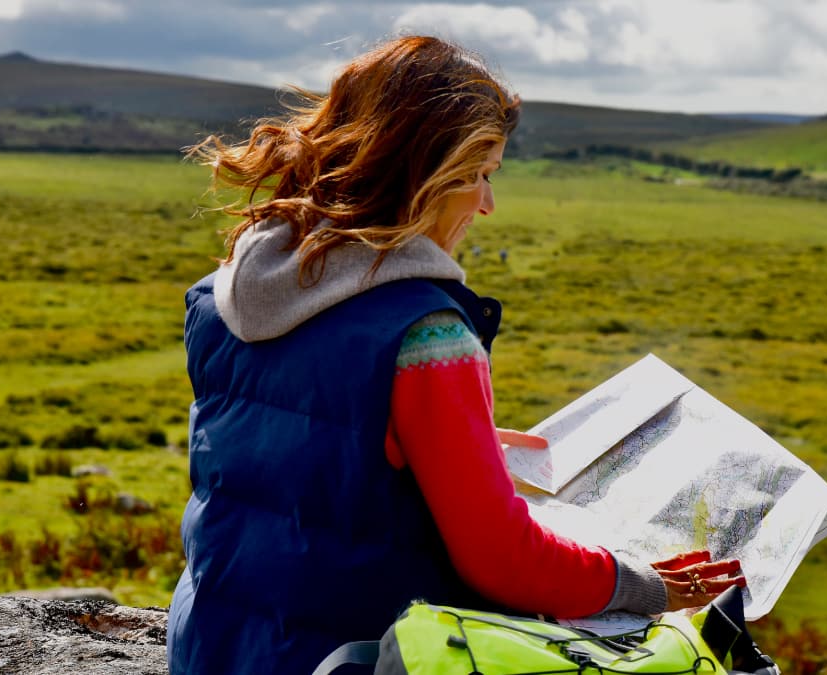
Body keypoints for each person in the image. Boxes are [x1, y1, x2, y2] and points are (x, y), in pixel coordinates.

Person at [166, 35, 765, 674]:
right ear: (422, 171)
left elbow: (292, 452)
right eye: (478, 175)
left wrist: (436, 442)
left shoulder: (224, 291)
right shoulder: (423, 332)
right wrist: (645, 586)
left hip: (211, 645)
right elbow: (502, 558)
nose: (486, 203)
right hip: (356, 659)